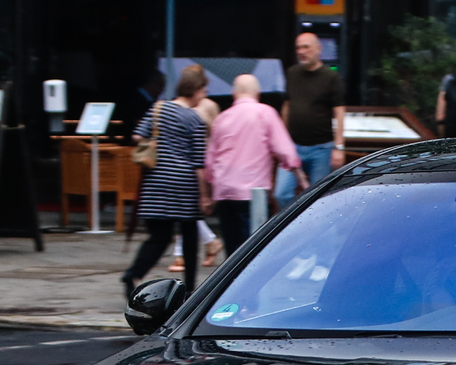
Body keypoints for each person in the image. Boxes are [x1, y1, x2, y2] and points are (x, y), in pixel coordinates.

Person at [126, 63, 212, 300]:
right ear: (195, 89)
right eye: (204, 91)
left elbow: (137, 136)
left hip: (156, 182)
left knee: (159, 236)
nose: (203, 97)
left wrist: (159, 142)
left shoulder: (158, 108)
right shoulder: (194, 119)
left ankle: (133, 273)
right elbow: (198, 163)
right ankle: (192, 287)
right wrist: (205, 195)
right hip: (183, 185)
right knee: (190, 235)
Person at [203, 72, 299, 249]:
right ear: (258, 92)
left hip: (225, 190)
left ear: (234, 93)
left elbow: (210, 159)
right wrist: (298, 173)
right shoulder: (266, 113)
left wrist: (208, 192)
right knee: (251, 248)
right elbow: (285, 150)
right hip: (252, 191)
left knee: (232, 246)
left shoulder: (222, 117)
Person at [279, 32, 341, 205]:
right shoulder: (292, 73)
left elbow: (339, 113)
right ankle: (289, 229)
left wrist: (339, 147)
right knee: (281, 193)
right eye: (298, 47)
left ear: (318, 49)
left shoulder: (331, 76)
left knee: (317, 199)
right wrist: (281, 141)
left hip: (321, 148)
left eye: (306, 47)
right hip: (292, 146)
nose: (301, 51)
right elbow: (287, 107)